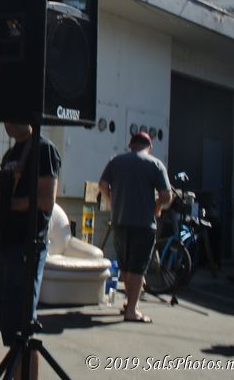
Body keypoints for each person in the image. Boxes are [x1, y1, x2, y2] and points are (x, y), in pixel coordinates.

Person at [0, 123, 60, 380]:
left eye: (14, 116)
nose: (8, 122)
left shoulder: (43, 149)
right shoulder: (12, 154)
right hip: (7, 242)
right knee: (11, 327)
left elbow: (46, 201)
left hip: (27, 246)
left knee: (24, 329)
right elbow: (7, 198)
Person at [98, 131, 172, 324]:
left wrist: (111, 200)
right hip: (143, 224)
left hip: (119, 221)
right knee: (138, 268)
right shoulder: (155, 164)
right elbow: (166, 196)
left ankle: (129, 303)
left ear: (131, 145)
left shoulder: (116, 161)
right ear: (149, 147)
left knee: (125, 264)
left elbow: (102, 184)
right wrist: (158, 206)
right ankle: (131, 310)